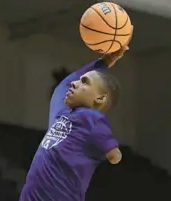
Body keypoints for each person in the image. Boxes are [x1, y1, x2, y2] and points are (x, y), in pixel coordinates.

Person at [19, 45, 130, 201]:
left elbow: (114, 155)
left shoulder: (93, 119)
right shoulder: (61, 113)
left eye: (84, 82)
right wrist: (105, 61)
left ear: (100, 98)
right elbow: (65, 83)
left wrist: (111, 152)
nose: (74, 83)